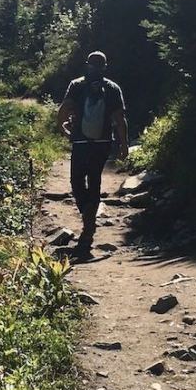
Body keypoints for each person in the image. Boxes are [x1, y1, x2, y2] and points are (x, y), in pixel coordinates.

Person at [58, 51, 128, 257]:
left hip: (80, 141)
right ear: (104, 66)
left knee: (76, 181)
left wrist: (63, 129)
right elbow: (120, 118)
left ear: (88, 65)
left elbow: (64, 109)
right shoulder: (112, 88)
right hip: (103, 142)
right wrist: (123, 144)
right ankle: (89, 223)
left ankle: (87, 218)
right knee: (95, 179)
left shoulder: (77, 85)